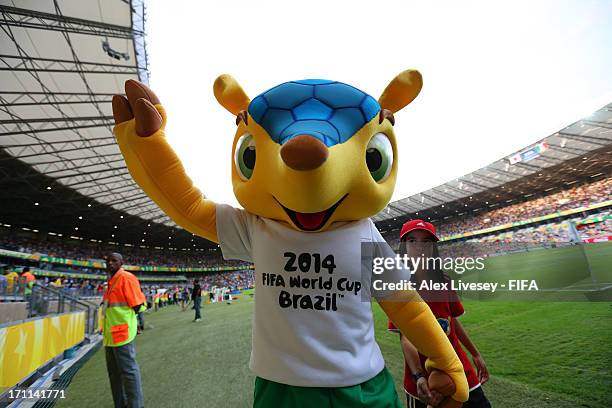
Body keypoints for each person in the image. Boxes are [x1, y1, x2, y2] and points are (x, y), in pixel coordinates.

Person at [389, 220, 491, 408]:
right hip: (423, 381)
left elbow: (452, 322)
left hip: (458, 369)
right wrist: (419, 376)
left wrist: (475, 354)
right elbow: (406, 338)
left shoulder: (444, 281)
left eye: (426, 242)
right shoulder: (399, 289)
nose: (420, 247)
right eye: (412, 241)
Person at [102, 252, 146, 408]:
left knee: (128, 372)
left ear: (121, 262)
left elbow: (138, 305)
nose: (110, 263)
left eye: (114, 260)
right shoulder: (111, 281)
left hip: (121, 334)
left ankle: (135, 405)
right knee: (114, 375)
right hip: (109, 337)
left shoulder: (126, 278)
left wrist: (136, 324)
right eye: (107, 261)